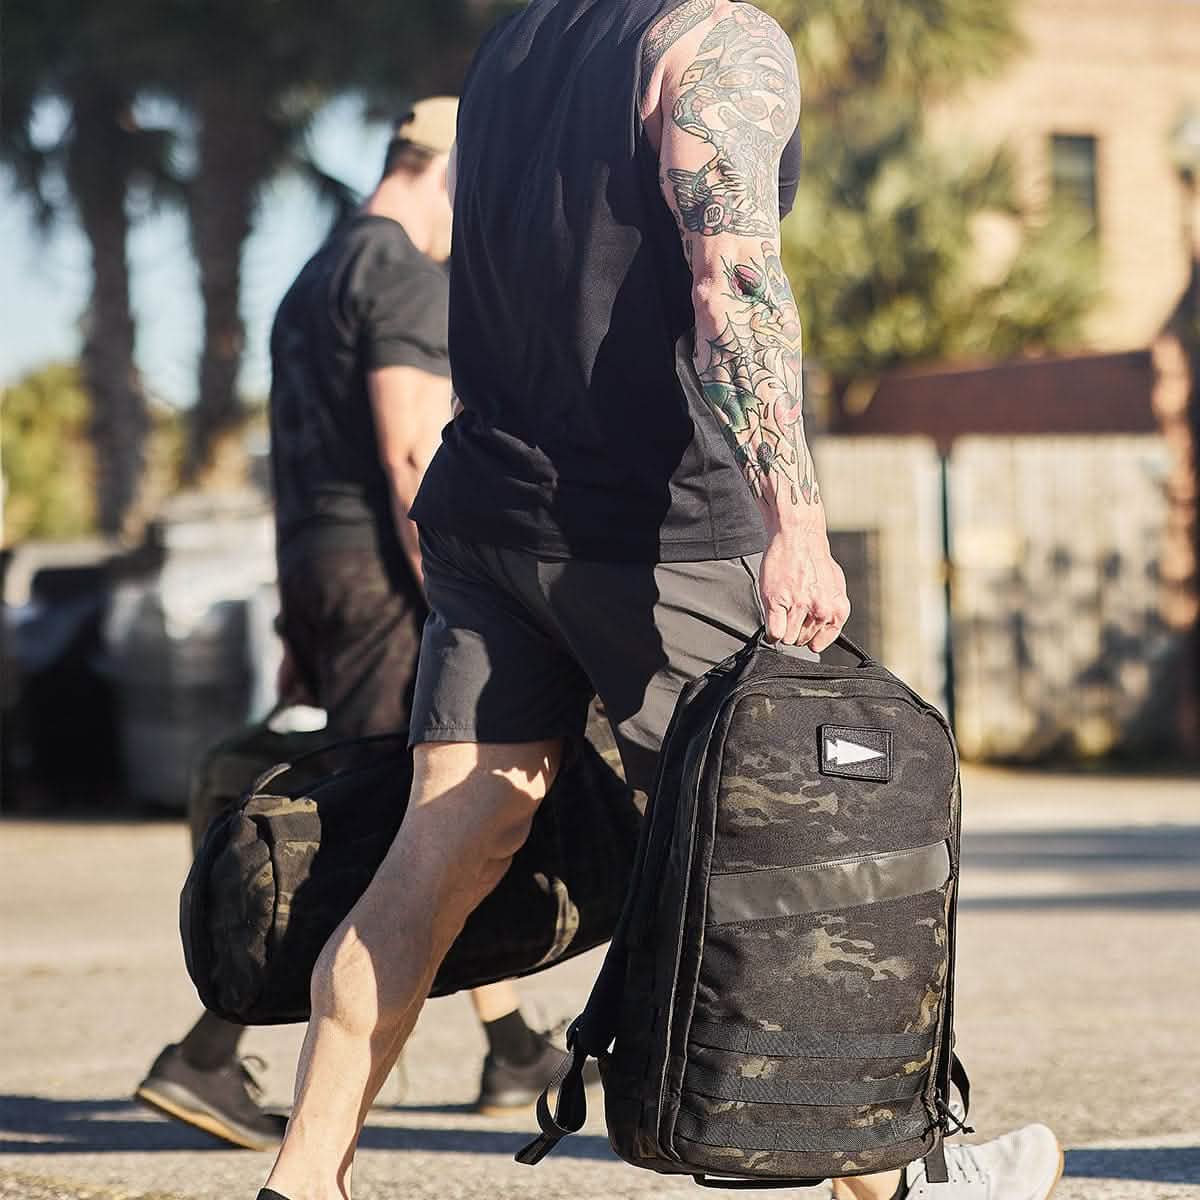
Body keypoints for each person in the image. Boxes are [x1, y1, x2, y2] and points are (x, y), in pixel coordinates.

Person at [258, 4, 1064, 1199]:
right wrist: (795, 520)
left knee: (435, 853)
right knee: (791, 847)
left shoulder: (515, 49)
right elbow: (731, 274)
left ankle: (302, 1179)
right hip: (663, 527)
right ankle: (902, 1183)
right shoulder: (716, 44)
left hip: (495, 520)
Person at [134, 99, 572, 1152]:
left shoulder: (316, 276)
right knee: (391, 826)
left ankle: (513, 1051)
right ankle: (203, 1052)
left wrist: (297, 609)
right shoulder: (406, 276)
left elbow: (298, 459)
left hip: (323, 567)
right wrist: (462, 592)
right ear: (446, 169)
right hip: (389, 573)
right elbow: (411, 452)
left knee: (429, 819)